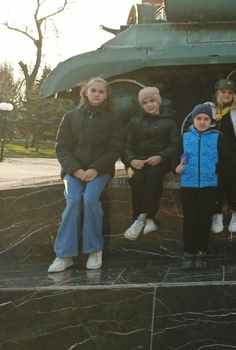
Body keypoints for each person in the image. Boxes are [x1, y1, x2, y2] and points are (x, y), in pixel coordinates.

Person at [48, 77, 123, 273]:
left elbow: (115, 148)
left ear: (106, 95)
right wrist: (74, 169)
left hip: (99, 171)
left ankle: (94, 250)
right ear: (85, 93)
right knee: (73, 202)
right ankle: (64, 255)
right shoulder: (71, 116)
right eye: (93, 90)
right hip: (73, 171)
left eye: (101, 91)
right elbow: (62, 147)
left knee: (90, 200)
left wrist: (95, 169)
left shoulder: (113, 119)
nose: (97, 94)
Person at [175, 104, 231, 270]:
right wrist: (176, 168)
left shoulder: (217, 137)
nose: (202, 122)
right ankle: (188, 252)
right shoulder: (185, 137)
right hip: (188, 185)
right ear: (193, 119)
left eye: (206, 119)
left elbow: (227, 160)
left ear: (211, 121)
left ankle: (201, 251)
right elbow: (175, 158)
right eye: (198, 118)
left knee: (204, 220)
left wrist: (214, 169)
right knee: (190, 220)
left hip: (209, 185)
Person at [122, 87, 181, 241]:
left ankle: (140, 217)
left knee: (154, 176)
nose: (149, 105)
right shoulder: (134, 121)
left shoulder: (170, 121)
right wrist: (131, 160)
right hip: (139, 160)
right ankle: (148, 218)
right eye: (145, 102)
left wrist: (161, 156)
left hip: (160, 160)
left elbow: (175, 145)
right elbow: (126, 145)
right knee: (137, 178)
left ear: (158, 101)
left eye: (152, 101)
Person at [206, 79, 236, 234]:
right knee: (216, 180)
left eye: (230, 93)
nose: (226, 95)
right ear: (217, 93)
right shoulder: (208, 108)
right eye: (223, 92)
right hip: (214, 153)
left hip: (233, 152)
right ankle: (216, 213)